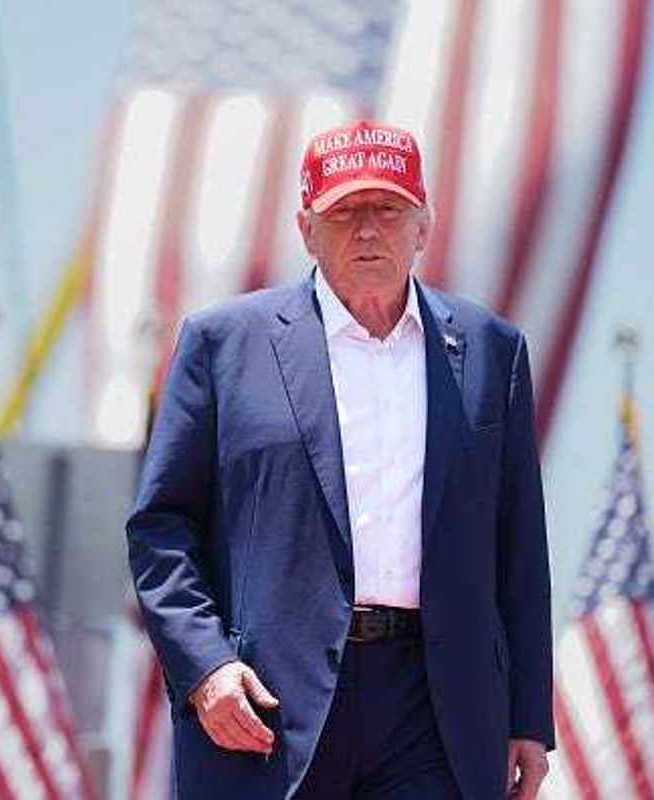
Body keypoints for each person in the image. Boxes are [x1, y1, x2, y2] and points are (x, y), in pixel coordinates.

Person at [127, 120, 553, 799]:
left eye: (387, 209)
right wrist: (206, 668)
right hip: (269, 702)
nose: (366, 230)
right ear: (306, 227)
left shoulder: (491, 351)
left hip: (438, 706)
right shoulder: (222, 344)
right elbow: (161, 528)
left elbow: (519, 547)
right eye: (344, 212)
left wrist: (529, 717)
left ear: (424, 225)